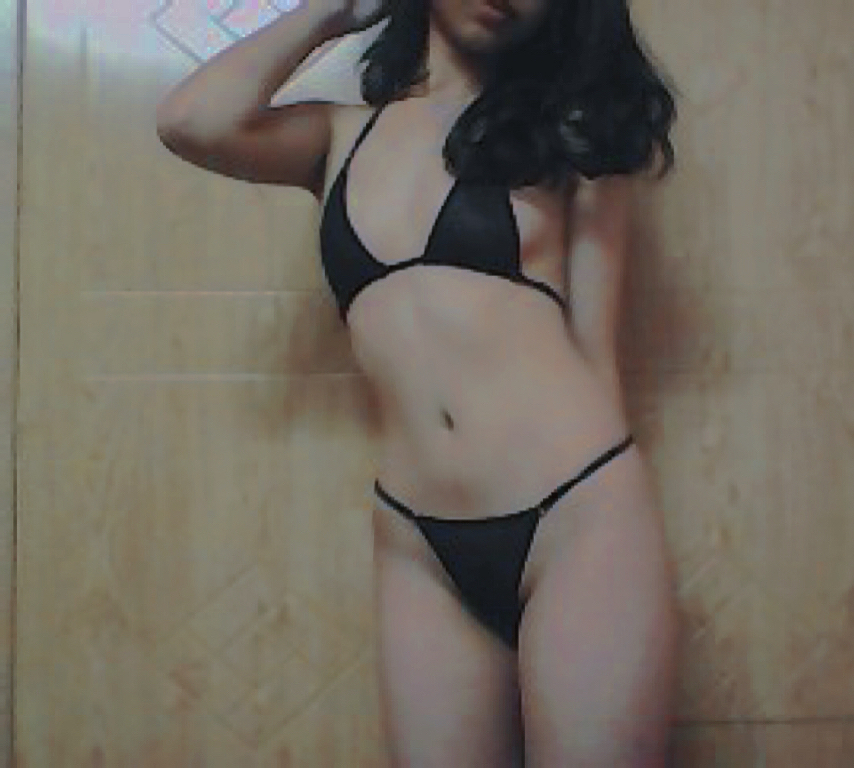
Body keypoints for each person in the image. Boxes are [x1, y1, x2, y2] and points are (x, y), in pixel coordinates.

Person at [156, 0, 680, 764]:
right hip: (419, 546)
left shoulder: (573, 129)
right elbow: (190, 121)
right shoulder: (338, 137)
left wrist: (613, 526)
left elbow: (597, 351)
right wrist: (334, 12)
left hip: (576, 516)